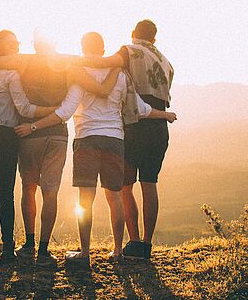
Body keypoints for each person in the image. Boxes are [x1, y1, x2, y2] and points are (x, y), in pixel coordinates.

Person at [15, 32, 176, 266]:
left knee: (85, 200)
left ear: (83, 47)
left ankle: (85, 253)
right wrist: (165, 115)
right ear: (103, 50)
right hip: (115, 140)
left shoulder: (80, 73)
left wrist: (33, 126)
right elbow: (140, 109)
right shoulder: (120, 75)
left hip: (87, 138)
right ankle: (118, 251)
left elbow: (66, 111)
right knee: (115, 198)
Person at [0, 31, 120, 267]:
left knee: (29, 187)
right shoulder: (67, 62)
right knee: (50, 192)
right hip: (57, 134)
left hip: (29, 133)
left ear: (35, 44)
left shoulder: (23, 60)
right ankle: (44, 250)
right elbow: (96, 69)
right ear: (55, 42)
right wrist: (117, 63)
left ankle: (29, 244)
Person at [72, 20, 175, 260]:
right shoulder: (167, 62)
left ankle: (133, 241)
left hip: (134, 125)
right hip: (158, 127)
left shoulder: (128, 51)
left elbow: (103, 63)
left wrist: (70, 62)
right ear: (155, 38)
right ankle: (146, 245)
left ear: (133, 34)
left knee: (124, 187)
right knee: (150, 184)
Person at [0, 30, 56, 264]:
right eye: (13, 43)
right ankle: (7, 250)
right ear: (3, 48)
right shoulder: (11, 74)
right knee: (4, 195)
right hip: (4, 137)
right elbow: (25, 109)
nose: (17, 46)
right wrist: (54, 110)